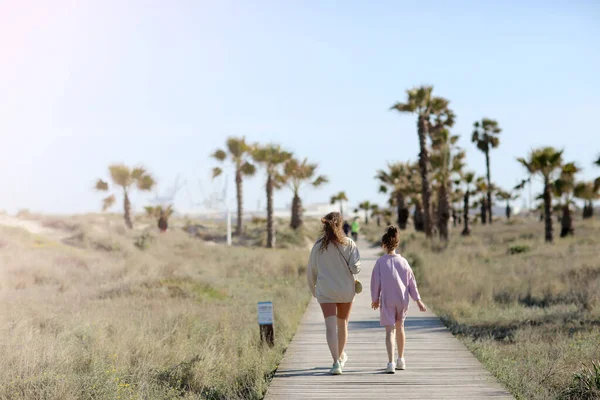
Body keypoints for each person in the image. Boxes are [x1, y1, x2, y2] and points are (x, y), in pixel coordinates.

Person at [307, 212, 361, 375]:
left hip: (326, 291)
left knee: (330, 327)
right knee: (342, 324)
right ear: (340, 224)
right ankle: (340, 358)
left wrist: (313, 290)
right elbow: (356, 268)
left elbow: (311, 270)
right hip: (345, 290)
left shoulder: (318, 246)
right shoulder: (349, 243)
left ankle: (336, 361)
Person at [370, 226, 427, 374]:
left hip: (387, 300)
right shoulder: (404, 262)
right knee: (400, 327)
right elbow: (411, 283)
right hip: (402, 300)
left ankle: (391, 363)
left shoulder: (380, 262)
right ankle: (401, 359)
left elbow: (375, 282)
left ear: (384, 245)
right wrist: (418, 300)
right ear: (397, 244)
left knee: (390, 331)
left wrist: (375, 299)